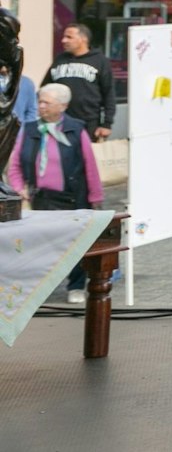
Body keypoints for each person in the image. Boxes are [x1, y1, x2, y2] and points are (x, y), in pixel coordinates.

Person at [5, 84, 103, 302]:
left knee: (76, 244)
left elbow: (90, 165)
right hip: (42, 198)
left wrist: (95, 197)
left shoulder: (76, 129)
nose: (41, 106)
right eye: (40, 101)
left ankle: (76, 286)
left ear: (63, 106)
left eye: (46, 103)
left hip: (73, 196)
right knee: (42, 245)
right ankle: (42, 287)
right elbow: (15, 165)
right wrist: (19, 187)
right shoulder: (30, 129)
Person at [48, 23, 114, 141]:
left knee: (85, 158)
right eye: (64, 37)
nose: (63, 40)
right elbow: (46, 88)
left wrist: (106, 124)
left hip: (88, 124)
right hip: (60, 121)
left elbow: (109, 93)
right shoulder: (60, 59)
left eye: (69, 37)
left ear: (83, 39)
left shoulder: (100, 61)